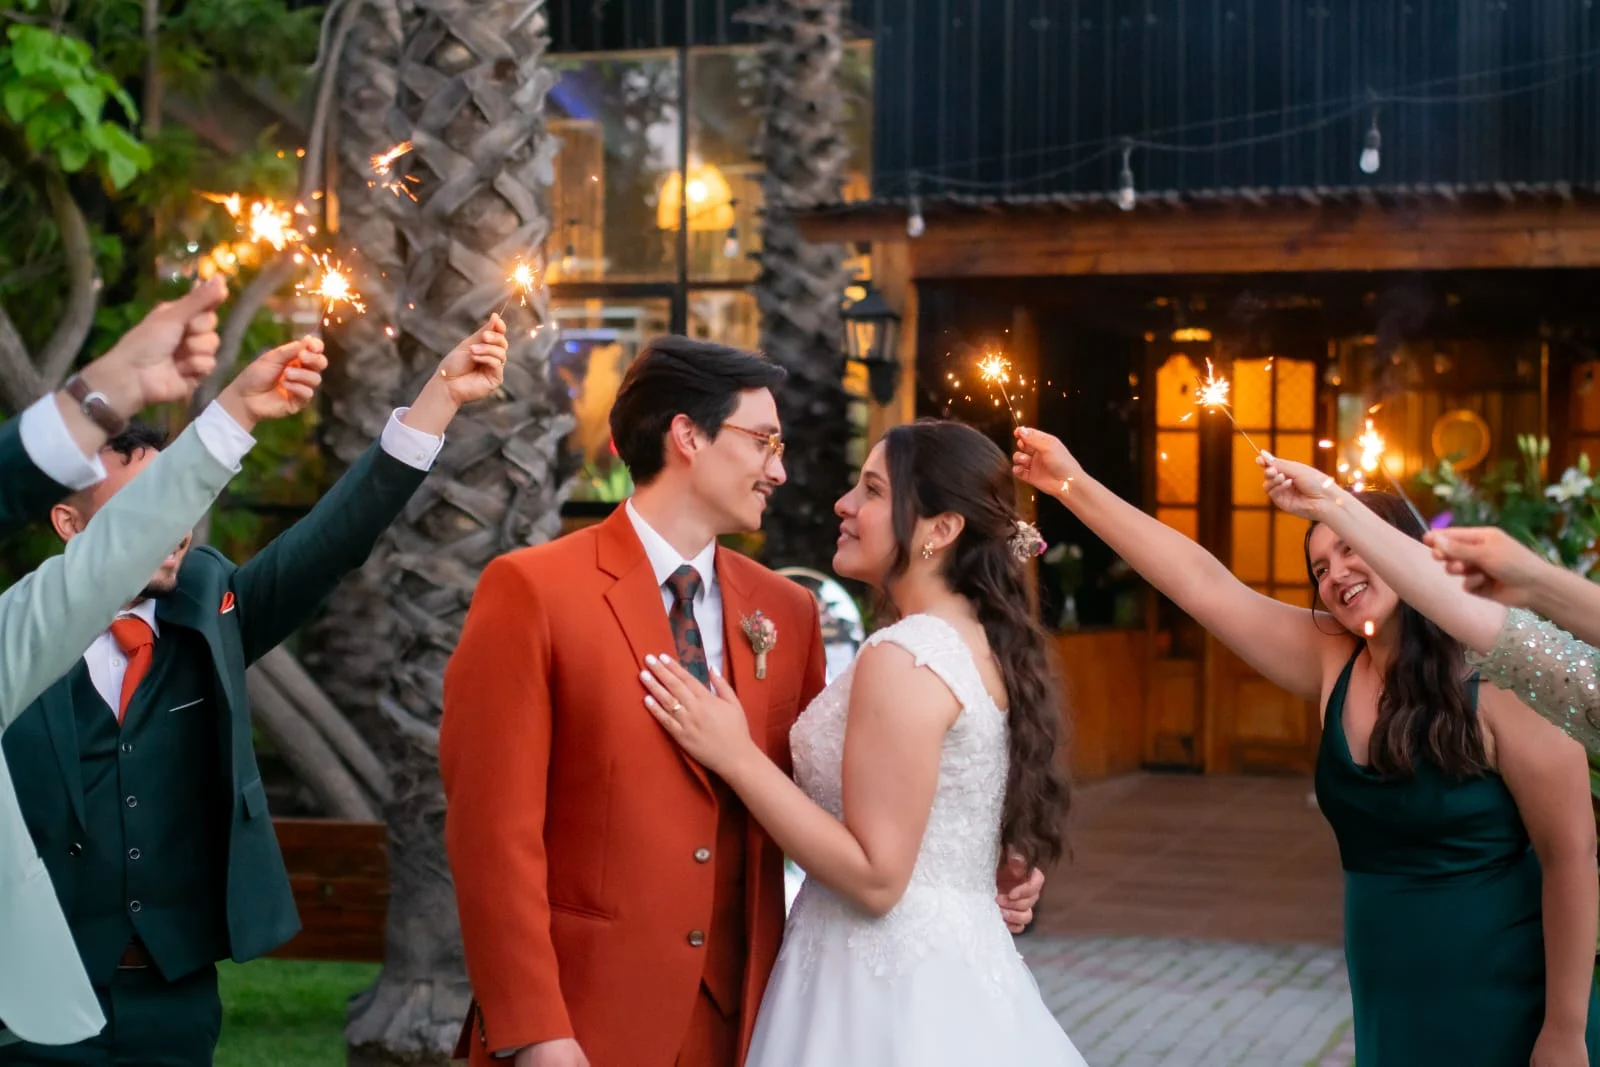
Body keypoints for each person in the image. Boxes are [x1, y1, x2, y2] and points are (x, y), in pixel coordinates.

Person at [440, 338, 1044, 1067]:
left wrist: (975, 863)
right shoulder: (534, 591)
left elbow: (840, 796)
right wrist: (535, 1025)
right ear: (688, 435)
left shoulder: (787, 611)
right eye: (764, 441)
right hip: (587, 1016)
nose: (780, 470)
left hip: (749, 1020)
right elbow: (490, 832)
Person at [0, 315, 510, 1067]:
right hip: (35, 1006)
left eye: (175, 504)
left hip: (175, 997)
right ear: (71, 524)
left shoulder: (212, 614)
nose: (172, 528)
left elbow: (333, 539)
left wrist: (440, 397)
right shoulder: (13, 643)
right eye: (141, 511)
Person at [1013, 425, 1600, 1066]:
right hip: (1390, 998)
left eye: (1350, 548)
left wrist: (1564, 1030)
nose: (1336, 574)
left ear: (1403, 550)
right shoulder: (1334, 659)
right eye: (1320, 567)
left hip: (1509, 995)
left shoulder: (1506, 680)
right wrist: (1069, 482)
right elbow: (1203, 584)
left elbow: (1572, 857)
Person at [642, 418, 1083, 1066]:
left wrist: (736, 756)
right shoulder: (975, 641)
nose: (843, 505)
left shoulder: (908, 655)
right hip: (948, 968)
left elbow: (877, 879)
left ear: (940, 529)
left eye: (872, 491)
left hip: (879, 989)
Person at [0, 277, 273, 1048]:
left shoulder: (27, 626)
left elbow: (107, 558)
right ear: (66, 521)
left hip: (155, 994)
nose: (168, 531)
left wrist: (219, 414)